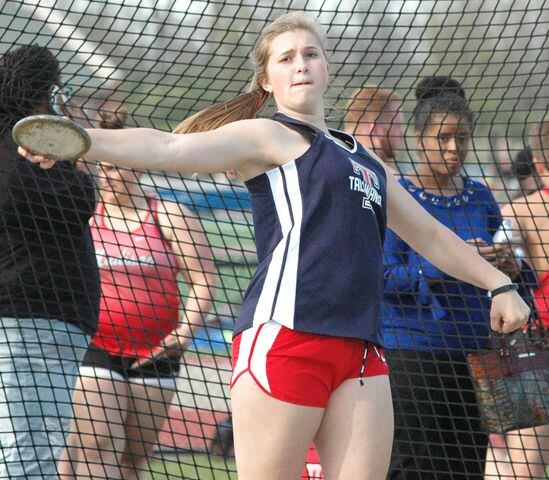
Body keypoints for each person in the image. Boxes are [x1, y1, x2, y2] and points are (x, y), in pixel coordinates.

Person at [19, 13, 530, 480]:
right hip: (287, 337)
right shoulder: (267, 136)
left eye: (310, 53)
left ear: (326, 66)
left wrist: (498, 284)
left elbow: (433, 235)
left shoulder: (366, 161)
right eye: (286, 58)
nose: (302, 65)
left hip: (362, 353)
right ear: (268, 80)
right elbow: (169, 147)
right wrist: (80, 139)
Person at [380, 76, 537, 480]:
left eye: (462, 138)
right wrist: (449, 263)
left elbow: (514, 277)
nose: (454, 149)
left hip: (475, 356)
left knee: (467, 467)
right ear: (418, 138)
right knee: (412, 468)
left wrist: (509, 266)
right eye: (443, 138)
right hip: (412, 357)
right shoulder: (398, 196)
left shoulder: (482, 197)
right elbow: (380, 278)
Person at [58, 110, 217, 480]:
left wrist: (184, 333)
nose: (108, 175)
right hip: (95, 347)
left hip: (156, 352)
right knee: (99, 449)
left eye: (118, 167)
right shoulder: (84, 216)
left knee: (132, 461)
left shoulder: (169, 215)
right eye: (103, 168)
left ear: (138, 166)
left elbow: (204, 277)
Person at [0, 45, 99, 478]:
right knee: (29, 461)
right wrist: (73, 158)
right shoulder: (26, 153)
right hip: (32, 321)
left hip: (29, 323)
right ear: (49, 91)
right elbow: (80, 200)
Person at [484, 118, 549, 480]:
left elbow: (501, 257)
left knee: (526, 465)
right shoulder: (518, 211)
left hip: (532, 344)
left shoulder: (518, 211)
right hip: (535, 343)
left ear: (538, 164)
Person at [343, 84, 403, 172]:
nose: (401, 133)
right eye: (397, 125)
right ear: (375, 130)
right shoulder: (388, 180)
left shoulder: (327, 157)